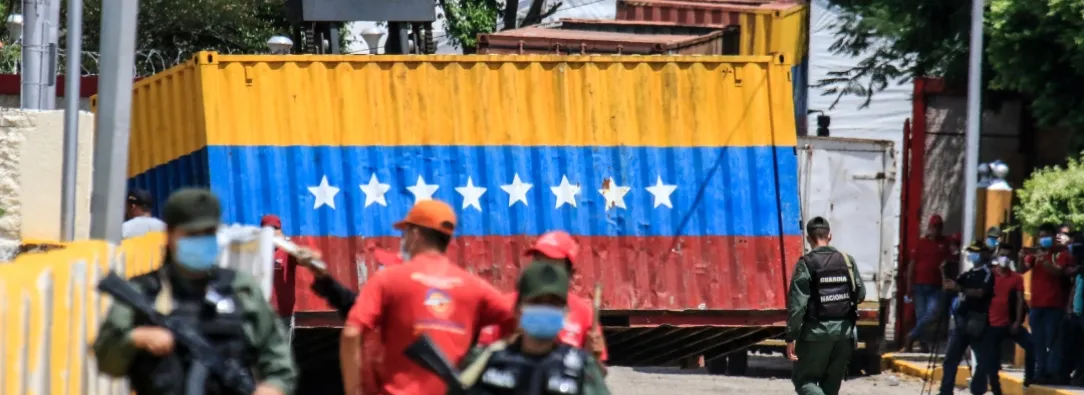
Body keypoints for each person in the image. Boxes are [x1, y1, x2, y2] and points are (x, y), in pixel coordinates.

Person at [92, 188, 296, 395]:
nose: (200, 241)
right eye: (191, 234)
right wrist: (136, 338)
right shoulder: (144, 291)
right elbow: (105, 359)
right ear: (170, 235)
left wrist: (272, 388)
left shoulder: (240, 289)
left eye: (208, 234)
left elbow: (278, 362)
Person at [340, 200, 516, 395]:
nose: (404, 239)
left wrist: (353, 391)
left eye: (405, 233)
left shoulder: (388, 279)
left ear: (415, 235)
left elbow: (351, 332)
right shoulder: (473, 286)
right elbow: (517, 323)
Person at [451, 261, 610, 395]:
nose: (545, 309)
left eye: (554, 304)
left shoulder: (581, 367)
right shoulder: (484, 360)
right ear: (516, 310)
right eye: (536, 302)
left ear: (566, 314)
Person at [475, 231, 609, 366]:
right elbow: (478, 364)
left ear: (570, 274)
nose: (543, 271)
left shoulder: (584, 314)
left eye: (552, 266)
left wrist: (592, 358)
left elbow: (596, 377)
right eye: (538, 262)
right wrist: (512, 342)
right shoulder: (504, 306)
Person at [786, 216, 864, 395]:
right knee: (830, 388)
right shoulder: (847, 261)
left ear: (808, 238)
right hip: (844, 334)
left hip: (815, 334)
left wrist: (791, 336)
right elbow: (860, 294)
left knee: (805, 381)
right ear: (830, 235)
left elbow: (798, 305)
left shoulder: (806, 264)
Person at [938, 241, 996, 395]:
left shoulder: (987, 273)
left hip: (978, 321)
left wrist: (961, 289)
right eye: (971, 251)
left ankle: (978, 389)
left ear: (984, 254)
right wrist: (944, 273)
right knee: (951, 358)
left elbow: (980, 293)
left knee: (982, 360)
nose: (972, 255)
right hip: (962, 320)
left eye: (976, 252)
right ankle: (946, 391)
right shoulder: (969, 273)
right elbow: (950, 286)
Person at [1020, 223, 1076, 384]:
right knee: (1037, 341)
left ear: (1053, 236)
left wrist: (1043, 259)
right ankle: (1040, 372)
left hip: (1055, 304)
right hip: (1036, 305)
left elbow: (1058, 272)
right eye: (1041, 236)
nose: (1043, 239)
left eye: (1046, 235)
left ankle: (1053, 373)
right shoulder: (1036, 255)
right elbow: (1022, 270)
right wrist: (1021, 257)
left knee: (1053, 341)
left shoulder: (1061, 254)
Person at [900, 214, 953, 352]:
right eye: (933, 227)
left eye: (938, 227)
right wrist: (909, 286)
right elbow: (912, 265)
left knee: (932, 313)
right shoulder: (920, 243)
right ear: (929, 227)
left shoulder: (945, 243)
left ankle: (911, 336)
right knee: (921, 316)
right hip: (919, 286)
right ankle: (921, 344)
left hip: (936, 287)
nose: (935, 230)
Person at [986, 248, 1033, 391]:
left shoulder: (1016, 278)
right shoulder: (989, 275)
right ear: (997, 257)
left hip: (1011, 323)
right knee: (992, 360)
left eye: (1007, 255)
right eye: (1002, 255)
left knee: (1031, 347)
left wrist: (1018, 322)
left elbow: (1020, 301)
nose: (1004, 258)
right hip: (992, 325)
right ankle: (995, 389)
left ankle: (1028, 380)